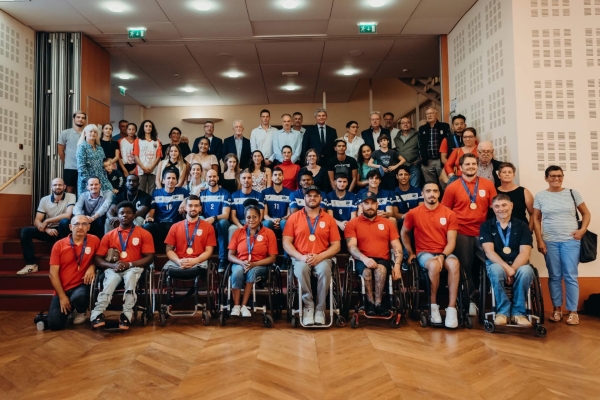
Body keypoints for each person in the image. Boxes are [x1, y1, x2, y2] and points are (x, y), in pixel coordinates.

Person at [533, 165, 591, 325]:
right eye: (552, 176)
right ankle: (557, 310)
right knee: (554, 277)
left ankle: (573, 312)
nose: (556, 179)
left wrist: (582, 230)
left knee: (570, 276)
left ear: (563, 177)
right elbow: (536, 219)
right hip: (550, 241)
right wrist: (539, 240)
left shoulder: (573, 193)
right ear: (546, 178)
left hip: (571, 241)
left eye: (559, 176)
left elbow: (586, 213)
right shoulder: (540, 196)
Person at [441, 153, 497, 315]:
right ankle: (470, 300)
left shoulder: (487, 185)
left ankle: (491, 299)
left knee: (489, 265)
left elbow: (495, 209)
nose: (471, 167)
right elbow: (445, 212)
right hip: (461, 232)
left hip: (482, 233)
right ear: (460, 167)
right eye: (467, 164)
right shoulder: (453, 187)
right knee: (465, 267)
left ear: (477, 166)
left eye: (474, 164)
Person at [401, 181, 460, 328]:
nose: (432, 194)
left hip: (444, 252)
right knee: (433, 265)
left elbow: (452, 241)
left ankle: (451, 309)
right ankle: (433, 307)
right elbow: (404, 233)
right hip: (424, 253)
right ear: (422, 194)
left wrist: (443, 255)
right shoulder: (413, 213)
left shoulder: (449, 213)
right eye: (428, 191)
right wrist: (410, 252)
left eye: (435, 191)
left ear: (439, 193)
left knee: (454, 263)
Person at [283, 185, 341, 326]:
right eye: (309, 195)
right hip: (301, 257)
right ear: (304, 199)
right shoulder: (294, 218)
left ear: (321, 198)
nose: (312, 198)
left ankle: (320, 309)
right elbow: (286, 243)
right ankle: (308, 307)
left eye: (316, 195)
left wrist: (320, 256)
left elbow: (336, 245)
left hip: (322, 257)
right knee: (302, 269)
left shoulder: (329, 219)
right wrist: (301, 257)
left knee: (324, 270)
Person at [91, 201, 155, 329]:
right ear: (117, 216)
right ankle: (97, 313)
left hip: (134, 267)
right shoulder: (109, 235)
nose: (125, 215)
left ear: (134, 215)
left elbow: (150, 257)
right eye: (121, 213)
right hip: (114, 268)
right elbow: (97, 258)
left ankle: (127, 314)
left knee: (131, 277)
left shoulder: (144, 233)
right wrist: (112, 266)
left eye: (128, 213)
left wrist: (130, 264)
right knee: (111, 280)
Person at [480, 194, 535, 327]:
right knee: (496, 269)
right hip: (497, 264)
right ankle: (503, 312)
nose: (501, 209)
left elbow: (525, 253)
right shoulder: (486, 226)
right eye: (497, 206)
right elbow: (489, 252)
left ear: (511, 206)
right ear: (492, 208)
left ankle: (518, 313)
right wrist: (507, 269)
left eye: (504, 205)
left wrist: (513, 269)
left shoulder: (522, 226)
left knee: (527, 270)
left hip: (518, 264)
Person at [346, 190, 403, 317]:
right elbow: (351, 246)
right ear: (361, 206)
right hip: (362, 259)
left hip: (383, 259)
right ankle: (369, 303)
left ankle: (379, 303)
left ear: (377, 205)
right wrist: (365, 259)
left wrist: (398, 265)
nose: (370, 206)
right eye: (366, 203)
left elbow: (397, 245)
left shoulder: (388, 223)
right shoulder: (353, 224)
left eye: (373, 203)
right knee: (366, 271)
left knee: (381, 269)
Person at [47, 214, 100, 330]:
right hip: (63, 289)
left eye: (84, 224)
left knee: (80, 297)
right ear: (70, 227)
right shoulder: (59, 245)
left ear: (88, 227)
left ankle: (80, 311)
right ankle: (68, 309)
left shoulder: (95, 240)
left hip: (82, 285)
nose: (80, 227)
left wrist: (92, 266)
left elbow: (101, 259)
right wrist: (62, 296)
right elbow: (52, 274)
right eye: (77, 224)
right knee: (54, 325)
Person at [227, 200, 278, 317]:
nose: (251, 219)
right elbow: (230, 255)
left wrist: (254, 264)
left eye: (254, 217)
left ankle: (244, 306)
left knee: (252, 271)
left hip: (260, 265)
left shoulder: (268, 233)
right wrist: (242, 262)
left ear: (260, 217)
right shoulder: (238, 233)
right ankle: (236, 306)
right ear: (245, 219)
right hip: (240, 263)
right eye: (248, 217)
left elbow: (273, 258)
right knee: (237, 272)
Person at [17, 178, 75, 275]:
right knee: (25, 231)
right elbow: (37, 220)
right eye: (55, 185)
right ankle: (31, 264)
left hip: (63, 231)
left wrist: (47, 221)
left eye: (60, 185)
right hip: (49, 231)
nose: (57, 187)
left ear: (64, 187)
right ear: (51, 187)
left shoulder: (71, 196)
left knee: (65, 222)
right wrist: (47, 229)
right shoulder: (44, 199)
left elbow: (68, 215)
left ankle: (61, 259)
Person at [163, 195, 216, 272]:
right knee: (167, 270)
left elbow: (209, 251)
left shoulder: (208, 227)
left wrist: (196, 260)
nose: (193, 208)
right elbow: (169, 249)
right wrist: (178, 261)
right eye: (190, 205)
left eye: (196, 206)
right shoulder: (175, 226)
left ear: (200, 208)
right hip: (179, 261)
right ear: (185, 208)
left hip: (199, 262)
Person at [143, 170, 190, 251]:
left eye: (173, 178)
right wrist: (149, 217)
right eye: (168, 178)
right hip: (160, 224)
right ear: (163, 181)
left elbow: (193, 199)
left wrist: (185, 201)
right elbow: (152, 210)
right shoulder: (156, 193)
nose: (171, 180)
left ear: (176, 181)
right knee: (147, 226)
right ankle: (150, 254)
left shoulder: (183, 192)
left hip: (176, 224)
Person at [199, 169, 232, 272]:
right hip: (206, 222)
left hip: (219, 222)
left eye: (214, 176)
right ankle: (199, 257)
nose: (212, 179)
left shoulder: (225, 193)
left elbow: (226, 215)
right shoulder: (202, 194)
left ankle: (223, 259)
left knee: (223, 223)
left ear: (218, 178)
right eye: (209, 177)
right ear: (206, 178)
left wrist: (214, 218)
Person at [76, 124, 113, 197]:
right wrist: (91, 182)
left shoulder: (100, 148)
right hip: (88, 181)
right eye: (91, 131)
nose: (93, 133)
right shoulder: (82, 147)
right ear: (85, 133)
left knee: (109, 198)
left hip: (102, 179)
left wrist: (108, 168)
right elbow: (81, 168)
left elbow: (103, 163)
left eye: (95, 132)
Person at [418, 107, 450, 187]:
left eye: (431, 113)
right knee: (431, 185)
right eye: (427, 114)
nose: (429, 115)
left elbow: (449, 142)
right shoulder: (422, 129)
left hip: (441, 160)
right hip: (427, 161)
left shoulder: (445, 126)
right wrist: (421, 156)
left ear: (436, 114)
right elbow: (419, 144)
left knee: (445, 185)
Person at [229, 169, 265, 240]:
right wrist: (240, 226)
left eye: (249, 178)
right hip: (239, 222)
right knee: (232, 228)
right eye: (244, 178)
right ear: (240, 180)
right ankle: (231, 250)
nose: (246, 180)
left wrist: (252, 225)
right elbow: (233, 216)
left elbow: (260, 215)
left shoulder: (259, 196)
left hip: (254, 222)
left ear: (252, 180)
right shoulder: (234, 195)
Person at [497, 162, 534, 230]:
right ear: (499, 175)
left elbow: (533, 214)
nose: (507, 174)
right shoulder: (494, 191)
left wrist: (529, 231)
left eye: (510, 172)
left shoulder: (524, 191)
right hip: (499, 231)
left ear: (513, 175)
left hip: (520, 230)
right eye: (504, 172)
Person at [57, 111, 86, 193]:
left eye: (83, 118)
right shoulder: (65, 133)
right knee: (69, 191)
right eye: (78, 117)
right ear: (73, 119)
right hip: (70, 168)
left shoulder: (88, 134)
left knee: (83, 191)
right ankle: (69, 206)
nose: (80, 119)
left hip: (84, 168)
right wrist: (66, 162)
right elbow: (60, 151)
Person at [326, 173, 357, 247]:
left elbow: (354, 217)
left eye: (344, 181)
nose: (342, 184)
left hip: (348, 224)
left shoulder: (352, 196)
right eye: (339, 181)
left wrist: (347, 225)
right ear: (335, 182)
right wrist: (340, 224)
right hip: (335, 224)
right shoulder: (329, 196)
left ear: (347, 183)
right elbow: (330, 216)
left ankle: (352, 254)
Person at [133, 120, 163, 194]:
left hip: (153, 170)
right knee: (140, 190)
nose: (148, 128)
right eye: (146, 126)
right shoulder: (137, 141)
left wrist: (152, 167)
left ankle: (151, 205)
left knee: (152, 190)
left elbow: (158, 156)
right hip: (141, 170)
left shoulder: (157, 141)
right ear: (143, 128)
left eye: (150, 126)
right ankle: (142, 205)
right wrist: (143, 168)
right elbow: (136, 156)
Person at [392, 117, 421, 188]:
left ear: (411, 124)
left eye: (408, 122)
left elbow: (422, 149)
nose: (405, 124)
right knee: (403, 186)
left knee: (414, 186)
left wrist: (418, 160)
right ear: (400, 126)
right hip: (401, 166)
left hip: (414, 164)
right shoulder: (396, 138)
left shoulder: (417, 135)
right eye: (403, 123)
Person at [263, 167, 292, 234]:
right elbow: (265, 215)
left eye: (280, 175)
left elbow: (289, 214)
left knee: (284, 223)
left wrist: (280, 220)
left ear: (283, 177)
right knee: (267, 223)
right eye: (275, 175)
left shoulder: (290, 193)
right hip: (270, 220)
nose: (277, 177)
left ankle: (285, 243)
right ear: (271, 178)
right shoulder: (265, 192)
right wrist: (272, 220)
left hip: (283, 220)